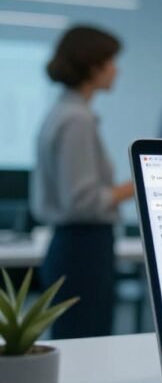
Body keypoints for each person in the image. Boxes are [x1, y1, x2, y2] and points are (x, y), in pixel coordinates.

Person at [31, 26, 135, 339]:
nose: (117, 69)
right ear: (93, 66)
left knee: (79, 338)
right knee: (87, 340)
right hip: (84, 248)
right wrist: (135, 186)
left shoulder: (63, 112)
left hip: (75, 246)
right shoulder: (77, 119)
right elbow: (82, 200)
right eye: (111, 61)